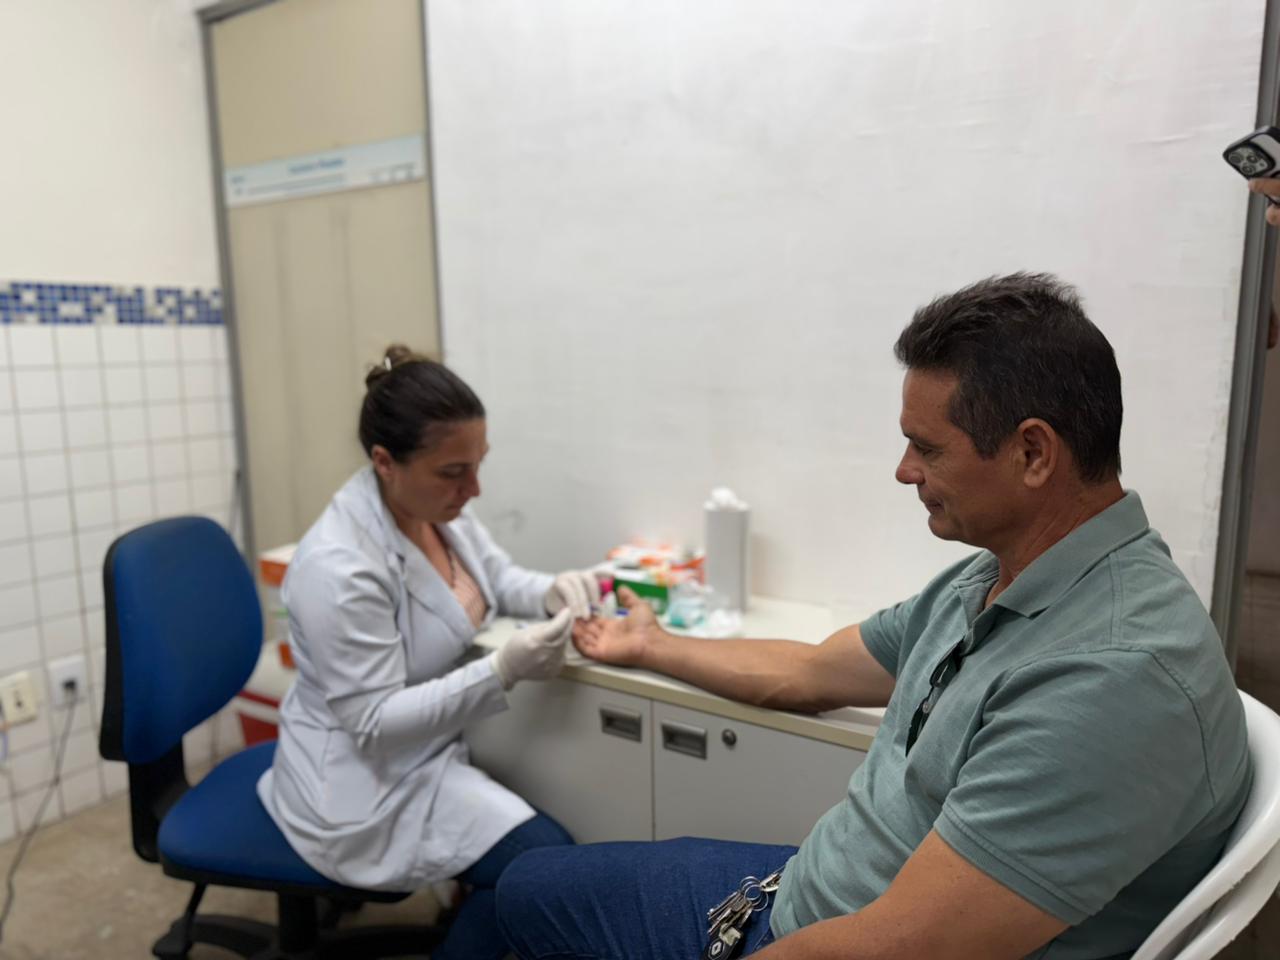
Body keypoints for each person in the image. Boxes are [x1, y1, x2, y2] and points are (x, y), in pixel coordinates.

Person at [493, 273, 1254, 960]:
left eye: (927, 448)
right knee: (527, 885)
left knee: (527, 904)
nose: (904, 471)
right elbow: (810, 671)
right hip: (805, 892)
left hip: (836, 936)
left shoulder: (1112, 679)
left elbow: (903, 948)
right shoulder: (1000, 578)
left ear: (1032, 453)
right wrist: (651, 645)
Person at [257, 345, 600, 960]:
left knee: (548, 847)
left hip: (433, 746)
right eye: (454, 472)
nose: (474, 488)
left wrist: (552, 590)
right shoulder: (340, 567)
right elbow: (372, 722)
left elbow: (495, 579)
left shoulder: (437, 508)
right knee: (541, 869)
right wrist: (503, 669)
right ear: (384, 462)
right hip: (365, 783)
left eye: (478, 465)